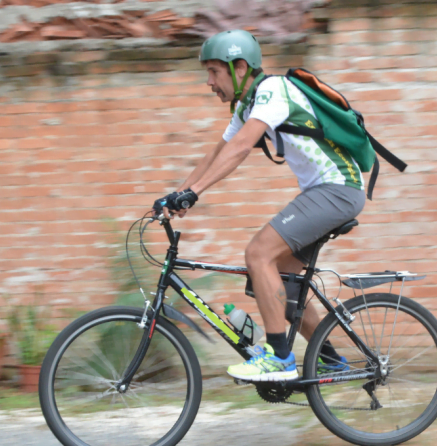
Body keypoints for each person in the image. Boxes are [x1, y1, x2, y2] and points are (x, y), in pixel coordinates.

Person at [153, 29, 364, 382]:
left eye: (214, 72)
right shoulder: (247, 104)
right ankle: (329, 359)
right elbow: (218, 152)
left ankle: (280, 359)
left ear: (239, 68)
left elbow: (240, 148)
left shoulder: (272, 92)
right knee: (281, 280)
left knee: (258, 254)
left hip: (338, 189)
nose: (208, 82)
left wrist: (197, 192)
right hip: (325, 191)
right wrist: (176, 195)